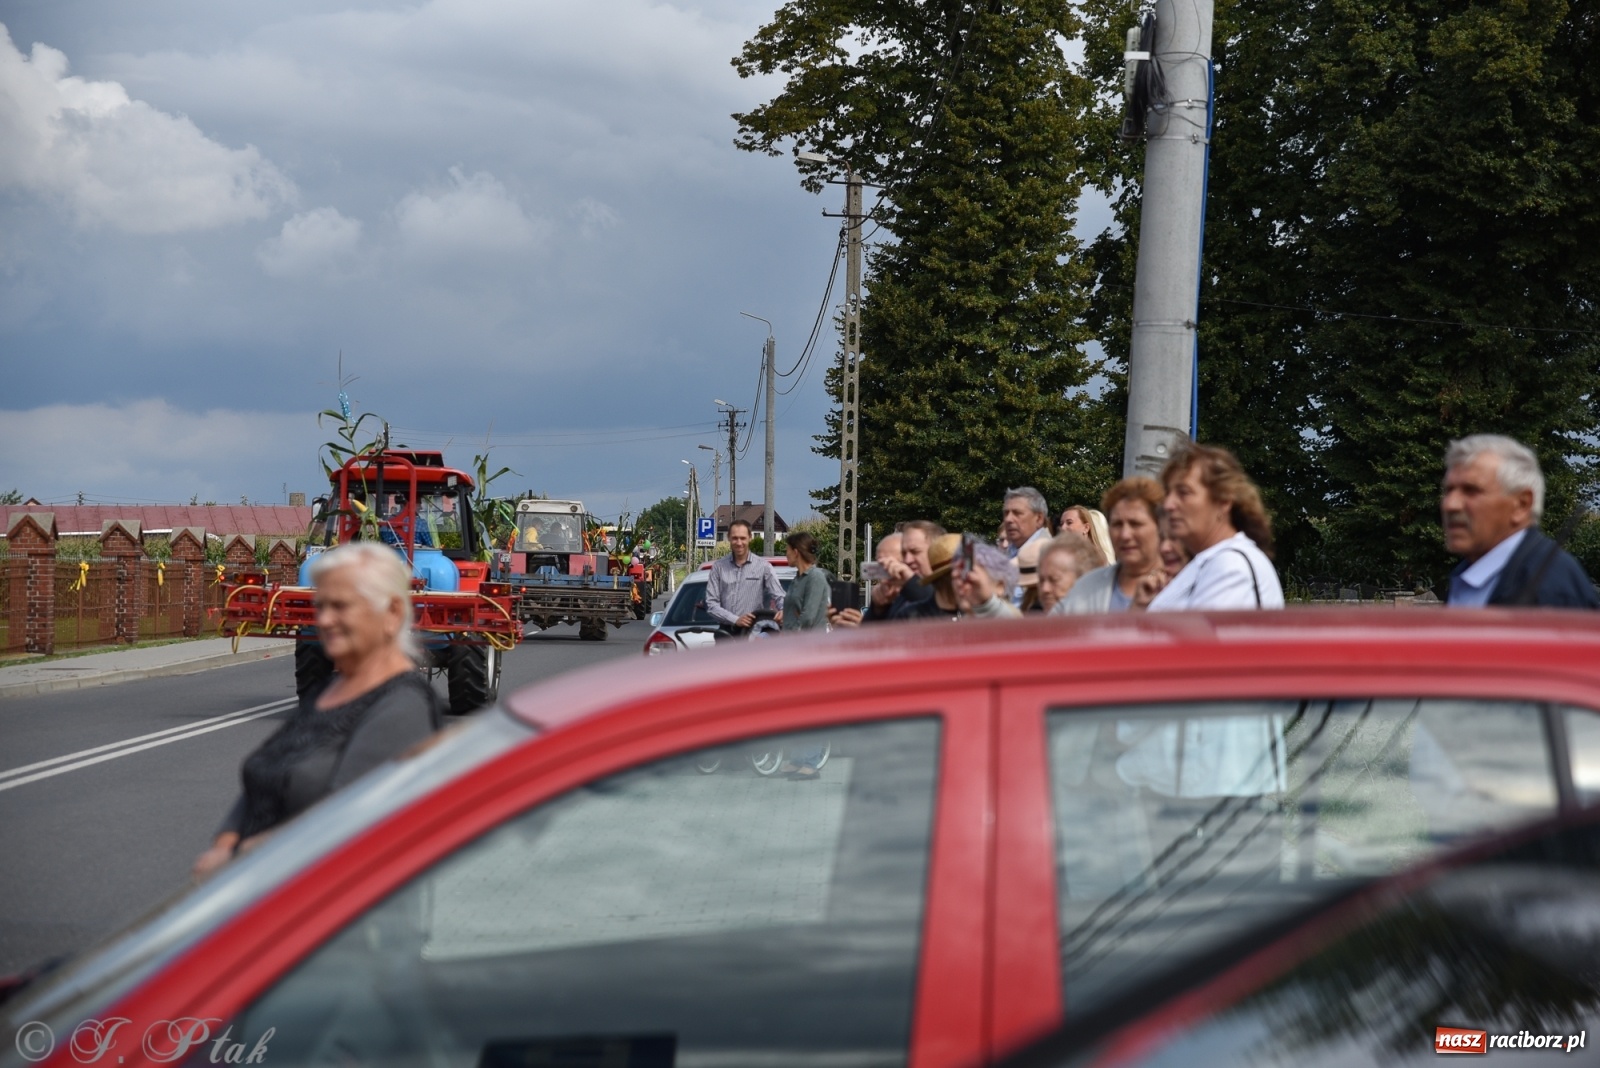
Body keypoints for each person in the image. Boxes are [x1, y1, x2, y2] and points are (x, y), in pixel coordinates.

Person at [194, 543, 441, 878]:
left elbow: (345, 823)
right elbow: (264, 777)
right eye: (320, 605)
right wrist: (224, 843)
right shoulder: (329, 691)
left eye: (340, 606)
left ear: (392, 614)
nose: (324, 620)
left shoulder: (403, 706)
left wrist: (239, 860)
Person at [1441, 435, 1599, 607]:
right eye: (1448, 491)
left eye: (1471, 491)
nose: (1450, 504)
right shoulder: (1469, 574)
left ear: (1522, 505)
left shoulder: (1551, 589)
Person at [1137, 440, 1284, 610]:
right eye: (1168, 493)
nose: (1169, 504)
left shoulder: (1231, 567)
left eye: (1183, 492)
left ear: (1223, 501)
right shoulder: (1210, 562)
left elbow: (1194, 636)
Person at [1059, 478, 1165, 614]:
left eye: (1135, 524)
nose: (1125, 535)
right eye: (1117, 524)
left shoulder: (1186, 586)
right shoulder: (1085, 587)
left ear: (1160, 526)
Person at [704, 519, 785, 629]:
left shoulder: (763, 567)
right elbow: (711, 604)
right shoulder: (718, 567)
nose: (739, 543)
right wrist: (735, 620)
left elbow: (779, 595)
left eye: (742, 538)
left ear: (750, 538)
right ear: (728, 538)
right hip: (726, 633)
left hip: (754, 633)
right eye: (735, 538)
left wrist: (784, 610)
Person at [1002, 488, 1052, 605]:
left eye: (1017, 513)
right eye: (1006, 513)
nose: (1008, 519)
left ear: (1039, 519)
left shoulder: (1049, 555)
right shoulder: (1010, 551)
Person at [1038, 533, 1103, 613]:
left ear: (1084, 579)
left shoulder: (1106, 622)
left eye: (1054, 580)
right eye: (1041, 580)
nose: (1045, 589)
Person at [958, 538, 1022, 618]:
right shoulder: (963, 619)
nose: (966, 587)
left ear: (1000, 586)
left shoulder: (1012, 618)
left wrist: (985, 603)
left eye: (974, 582)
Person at [781, 531, 831, 631]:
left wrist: (790, 635)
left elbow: (808, 617)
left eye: (787, 551)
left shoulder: (815, 577)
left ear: (795, 553)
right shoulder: (797, 579)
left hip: (808, 643)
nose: (786, 555)